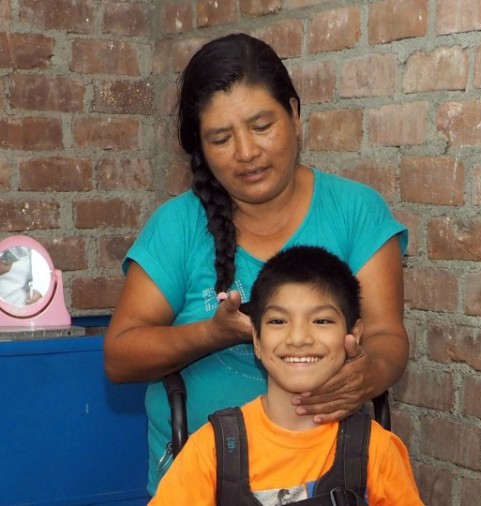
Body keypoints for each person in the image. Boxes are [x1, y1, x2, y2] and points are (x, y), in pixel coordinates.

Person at [103, 32, 410, 495]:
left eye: (262, 125)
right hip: (200, 484)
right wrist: (212, 333)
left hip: (327, 481)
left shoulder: (356, 213)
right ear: (201, 151)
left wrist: (371, 374)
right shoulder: (177, 227)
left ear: (295, 113)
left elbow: (387, 336)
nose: (246, 152)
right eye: (221, 139)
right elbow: (119, 357)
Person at [149, 246, 423, 505]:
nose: (299, 338)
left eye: (322, 321)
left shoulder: (376, 451)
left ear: (354, 334)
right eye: (278, 321)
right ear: (256, 338)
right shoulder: (213, 450)